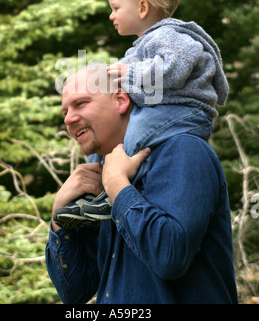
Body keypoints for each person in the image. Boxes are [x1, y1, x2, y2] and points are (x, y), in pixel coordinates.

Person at [54, 0, 229, 227]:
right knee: (105, 147)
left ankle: (113, 194)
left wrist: (131, 74)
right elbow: (126, 72)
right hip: (167, 106)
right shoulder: (141, 46)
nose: (111, 15)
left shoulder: (168, 35)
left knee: (133, 135)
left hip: (185, 109)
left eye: (115, 8)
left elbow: (177, 67)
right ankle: (96, 197)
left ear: (143, 7)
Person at [45, 65, 238, 304]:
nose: (68, 119)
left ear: (120, 100)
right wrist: (58, 220)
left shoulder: (183, 149)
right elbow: (75, 293)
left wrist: (118, 188)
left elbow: (170, 257)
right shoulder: (101, 175)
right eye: (65, 111)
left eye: (81, 104)